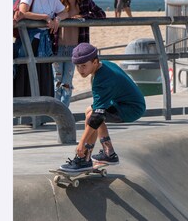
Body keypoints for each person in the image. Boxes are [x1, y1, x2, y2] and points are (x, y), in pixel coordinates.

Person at [59, 43, 146, 172]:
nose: (80, 70)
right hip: (127, 102)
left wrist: (81, 143)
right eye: (77, 66)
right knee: (90, 111)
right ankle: (104, 154)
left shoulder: (102, 79)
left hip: (131, 109)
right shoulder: (104, 65)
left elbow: (97, 116)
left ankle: (88, 157)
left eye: (84, 66)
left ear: (95, 62)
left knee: (93, 116)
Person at [53, 0, 106, 107]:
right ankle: (54, 113)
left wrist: (83, 17)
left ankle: (64, 112)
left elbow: (101, 14)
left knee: (67, 82)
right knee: (56, 82)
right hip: (56, 46)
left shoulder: (84, 0)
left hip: (75, 48)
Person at [13, 0, 68, 97]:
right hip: (29, 41)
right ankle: (23, 112)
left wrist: (57, 20)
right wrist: (45, 17)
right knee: (25, 74)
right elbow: (23, 11)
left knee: (43, 76)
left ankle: (40, 111)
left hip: (44, 43)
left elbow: (65, 12)